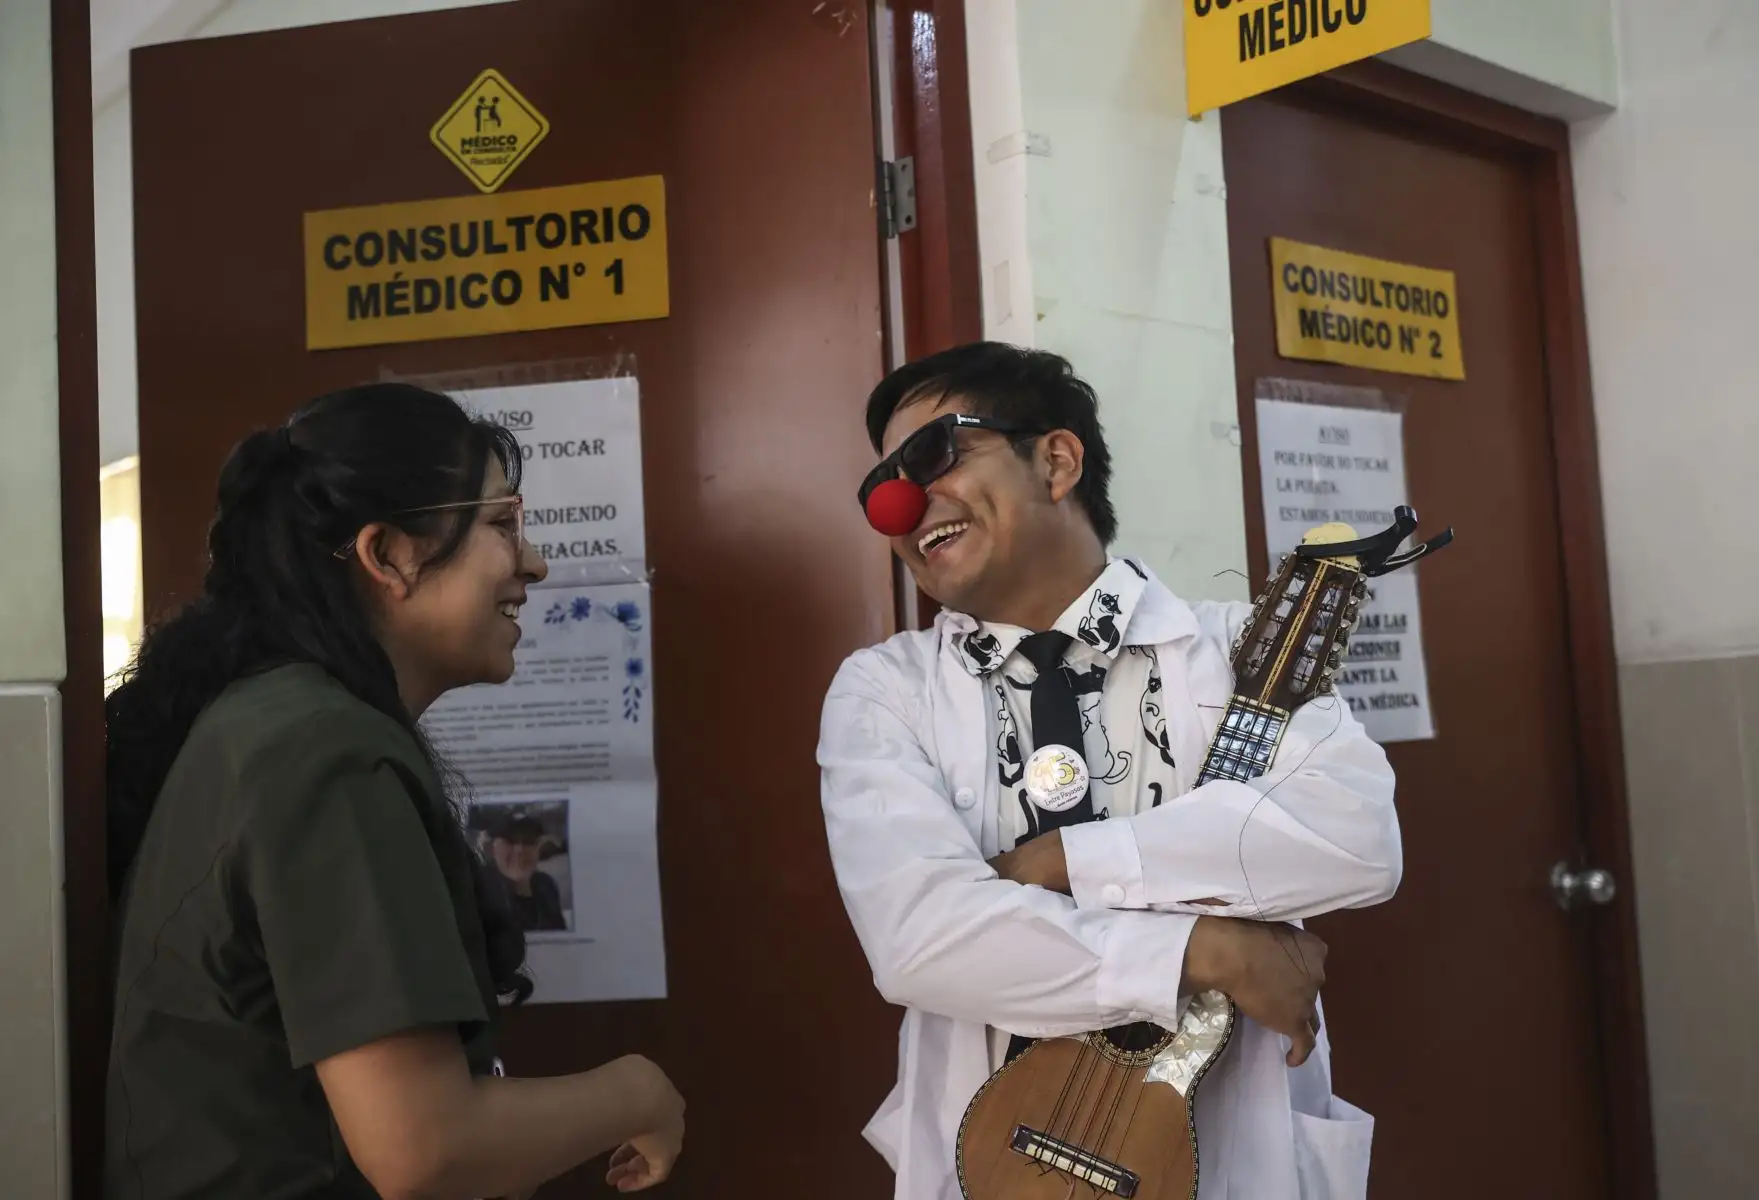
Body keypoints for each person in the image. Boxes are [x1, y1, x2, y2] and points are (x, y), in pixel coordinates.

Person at [817, 344, 1403, 1199]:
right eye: (884, 488)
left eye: (934, 455)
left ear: (1056, 460)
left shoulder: (1237, 650)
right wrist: (1205, 947)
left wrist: (1071, 861)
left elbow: (1356, 841)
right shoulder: (885, 689)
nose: (905, 505)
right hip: (995, 1167)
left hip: (1233, 1165)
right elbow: (923, 940)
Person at [105, 383, 683, 1198]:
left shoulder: (274, 722)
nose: (535, 561)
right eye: (502, 524)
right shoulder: (327, 752)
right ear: (388, 556)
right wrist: (639, 1091)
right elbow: (426, 1151)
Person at [486, 812, 570, 933]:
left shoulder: (546, 885)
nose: (519, 849)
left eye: (528, 841)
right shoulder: (480, 891)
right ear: (492, 849)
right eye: (510, 841)